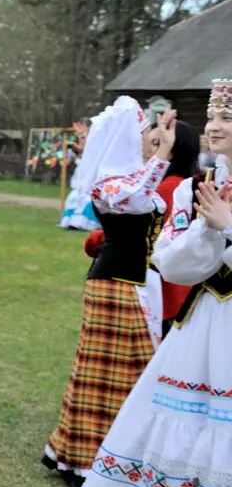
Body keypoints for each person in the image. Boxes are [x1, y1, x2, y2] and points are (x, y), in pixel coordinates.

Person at [81, 78, 232, 487]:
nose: (215, 127)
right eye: (214, 118)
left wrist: (229, 228)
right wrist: (210, 234)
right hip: (203, 324)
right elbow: (171, 261)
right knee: (186, 427)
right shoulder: (199, 184)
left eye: (227, 120)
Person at [41, 96, 173, 487]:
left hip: (128, 282)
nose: (149, 135)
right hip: (115, 284)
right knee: (109, 374)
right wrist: (162, 155)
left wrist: (157, 156)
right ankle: (87, 459)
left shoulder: (128, 175)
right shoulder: (110, 181)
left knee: (116, 373)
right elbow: (133, 199)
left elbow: (142, 195)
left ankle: (93, 455)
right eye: (143, 130)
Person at [83, 110, 200, 338]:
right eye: (149, 138)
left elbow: (154, 231)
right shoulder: (116, 183)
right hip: (129, 279)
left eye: (157, 142)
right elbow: (133, 207)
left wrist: (98, 240)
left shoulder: (167, 186)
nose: (149, 145)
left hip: (151, 280)